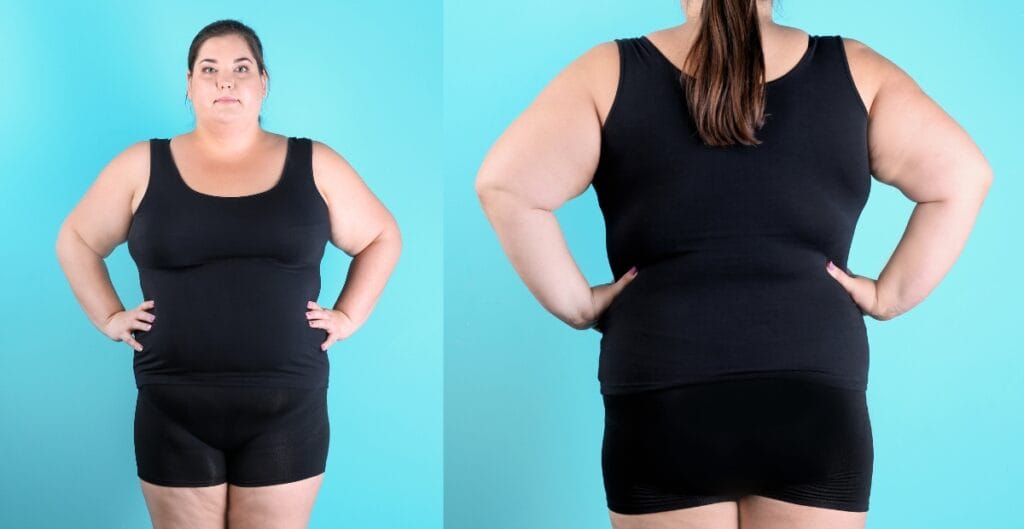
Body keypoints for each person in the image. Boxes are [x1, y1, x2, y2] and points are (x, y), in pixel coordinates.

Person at [475, 1, 991, 528]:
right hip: (813, 402)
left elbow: (504, 184)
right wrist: (889, 295)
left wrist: (580, 305)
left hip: (662, 402)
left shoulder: (607, 72)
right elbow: (963, 176)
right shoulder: (856, 70)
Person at [54, 19, 401, 529]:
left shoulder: (315, 163)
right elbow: (76, 241)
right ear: (189, 85)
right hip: (173, 407)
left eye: (241, 69)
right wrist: (108, 315)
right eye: (209, 69)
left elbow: (381, 237)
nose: (226, 82)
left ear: (263, 82)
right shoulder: (141, 165)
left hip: (288, 408)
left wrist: (349, 315)